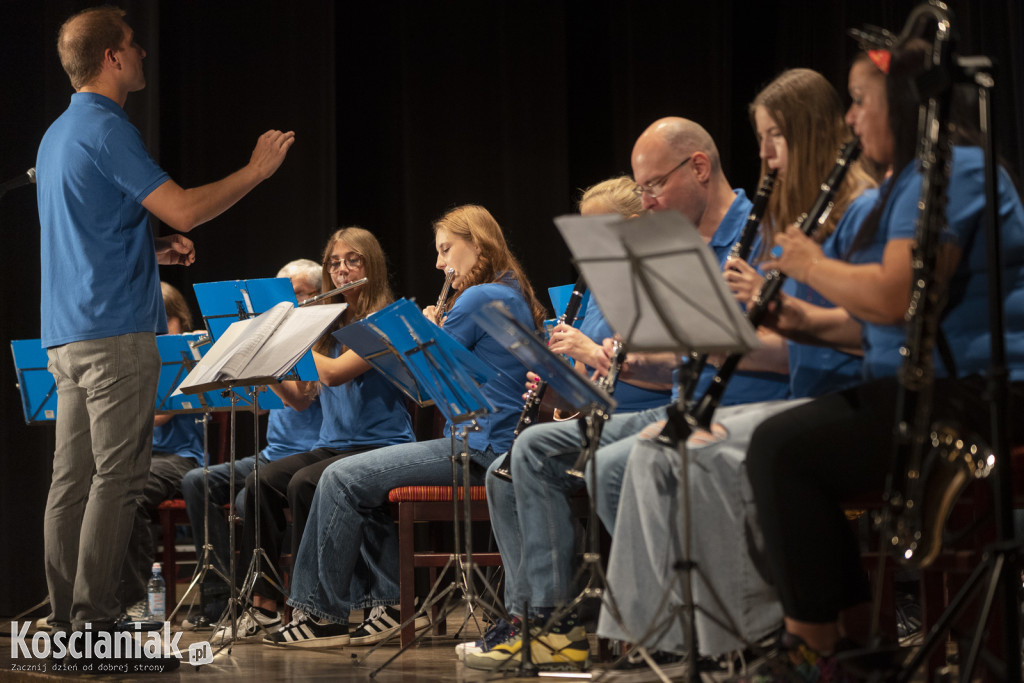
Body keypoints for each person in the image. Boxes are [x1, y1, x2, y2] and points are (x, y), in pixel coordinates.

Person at [463, 118, 790, 672]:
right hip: (681, 402)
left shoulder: (753, 235)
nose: (648, 201)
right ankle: (553, 620)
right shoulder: (674, 249)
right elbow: (678, 355)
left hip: (724, 405)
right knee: (528, 453)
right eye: (641, 190)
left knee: (610, 466)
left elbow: (704, 354)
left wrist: (611, 356)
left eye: (652, 187)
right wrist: (577, 375)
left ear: (699, 169)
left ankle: (678, 620)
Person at [741, 43, 1024, 681]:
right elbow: (881, 318)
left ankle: (818, 648)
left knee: (782, 451)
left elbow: (896, 296)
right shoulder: (914, 178)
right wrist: (804, 319)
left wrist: (810, 265)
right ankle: (850, 645)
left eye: (861, 100)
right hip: (927, 386)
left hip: (976, 392)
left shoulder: (956, 169)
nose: (850, 118)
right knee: (784, 450)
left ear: (903, 105)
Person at [594, 68, 878, 668]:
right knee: (647, 450)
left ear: (804, 135)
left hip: (832, 394)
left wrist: (757, 318)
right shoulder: (790, 223)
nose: (765, 157)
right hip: (801, 389)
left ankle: (747, 638)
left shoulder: (850, 212)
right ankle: (655, 633)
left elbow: (856, 327)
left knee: (699, 452)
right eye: (760, 141)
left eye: (772, 138)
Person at [36, 4, 293, 658]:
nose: (143, 53)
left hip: (66, 334)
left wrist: (150, 250)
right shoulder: (106, 127)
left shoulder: (57, 134)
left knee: (72, 481)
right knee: (117, 481)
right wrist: (256, 173)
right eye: (133, 45)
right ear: (113, 58)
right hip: (117, 333)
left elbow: (87, 236)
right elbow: (182, 205)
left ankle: (69, 624)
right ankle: (95, 626)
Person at [264, 204, 545, 648]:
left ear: (478, 243)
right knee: (341, 479)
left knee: (339, 478)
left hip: (480, 446)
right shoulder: (510, 291)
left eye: (446, 250)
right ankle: (377, 600)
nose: (440, 264)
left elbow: (424, 384)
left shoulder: (476, 297)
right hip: (490, 442)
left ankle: (322, 615)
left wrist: (425, 332)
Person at [210, 228, 418, 644]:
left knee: (308, 482)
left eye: (352, 260)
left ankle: (324, 610)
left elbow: (335, 374)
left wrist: (287, 333)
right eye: (335, 263)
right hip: (334, 444)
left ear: (370, 265)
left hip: (381, 444)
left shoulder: (385, 319)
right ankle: (266, 604)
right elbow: (302, 399)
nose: (342, 269)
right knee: (260, 483)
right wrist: (263, 360)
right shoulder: (329, 323)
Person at [180, 259, 324, 628]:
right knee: (197, 481)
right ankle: (220, 597)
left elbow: (299, 399)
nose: (287, 305)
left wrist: (266, 356)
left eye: (298, 295)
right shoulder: (284, 342)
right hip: (271, 454)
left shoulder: (321, 339)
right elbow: (258, 407)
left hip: (308, 456)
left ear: (317, 296)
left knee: (248, 498)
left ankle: (262, 602)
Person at [115, 283, 206, 619]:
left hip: (181, 458)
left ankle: (137, 599)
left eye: (165, 319)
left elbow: (159, 415)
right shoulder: (136, 353)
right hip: (139, 456)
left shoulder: (191, 353)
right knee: (95, 490)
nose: (158, 329)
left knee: (131, 493)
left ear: (180, 319)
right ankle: (95, 598)